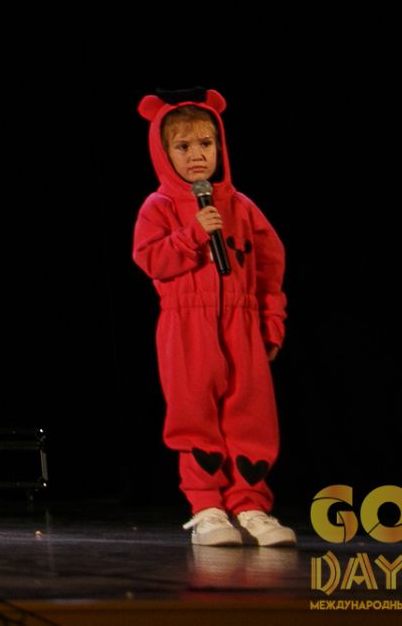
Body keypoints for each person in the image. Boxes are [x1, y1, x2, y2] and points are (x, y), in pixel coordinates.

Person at [133, 89, 295, 547]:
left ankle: (251, 505)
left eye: (205, 143)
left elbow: (270, 268)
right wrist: (191, 235)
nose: (196, 155)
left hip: (241, 324)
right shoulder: (159, 206)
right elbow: (150, 259)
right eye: (183, 146)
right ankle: (207, 507)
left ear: (219, 145)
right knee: (194, 414)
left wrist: (271, 323)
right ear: (164, 152)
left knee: (251, 415)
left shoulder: (241, 206)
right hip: (187, 325)